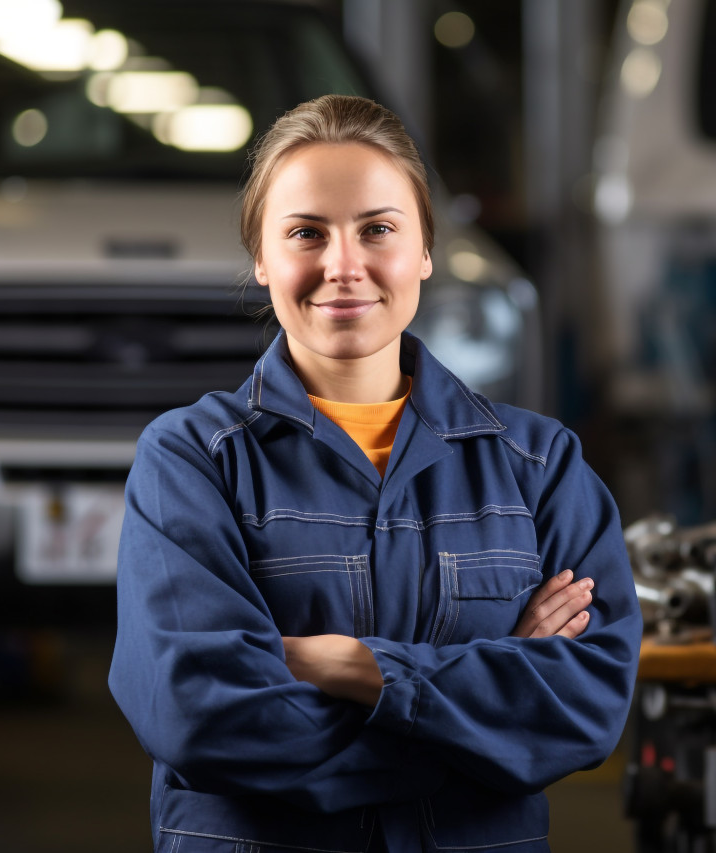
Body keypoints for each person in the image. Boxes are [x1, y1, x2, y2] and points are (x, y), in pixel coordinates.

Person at [109, 94, 642, 853]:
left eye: (378, 229)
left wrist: (349, 664)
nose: (343, 265)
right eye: (306, 233)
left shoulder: (539, 468)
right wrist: (479, 726)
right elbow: (197, 713)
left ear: (426, 249)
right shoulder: (193, 462)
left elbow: (583, 708)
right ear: (262, 257)